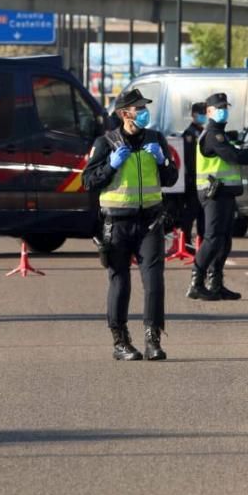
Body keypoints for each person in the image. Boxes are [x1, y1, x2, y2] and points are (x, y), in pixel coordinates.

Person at [83, 88, 179, 360]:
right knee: (120, 281)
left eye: (145, 107)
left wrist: (162, 161)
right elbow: (88, 181)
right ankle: (120, 341)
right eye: (139, 108)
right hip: (117, 224)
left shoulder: (156, 139)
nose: (144, 111)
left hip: (150, 222)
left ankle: (153, 339)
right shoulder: (106, 143)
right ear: (125, 113)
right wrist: (111, 166)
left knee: (154, 281)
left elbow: (170, 179)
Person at [189, 92, 248, 301]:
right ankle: (196, 283)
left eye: (225, 107)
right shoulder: (212, 135)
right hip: (213, 194)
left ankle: (216, 283)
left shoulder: (220, 134)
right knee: (213, 238)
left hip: (224, 193)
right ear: (209, 112)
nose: (224, 111)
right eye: (219, 108)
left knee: (224, 240)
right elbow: (233, 156)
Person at [178, 102, 208, 245]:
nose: (204, 116)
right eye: (201, 113)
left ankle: (201, 242)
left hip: (202, 180)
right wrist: (189, 179)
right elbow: (188, 159)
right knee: (190, 213)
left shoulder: (203, 132)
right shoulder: (189, 135)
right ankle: (186, 243)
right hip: (192, 180)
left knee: (202, 214)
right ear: (194, 115)